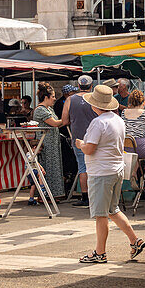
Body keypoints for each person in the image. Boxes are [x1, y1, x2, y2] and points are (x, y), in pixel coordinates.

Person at [75, 85, 145, 264]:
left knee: (101, 214)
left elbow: (90, 149)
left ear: (94, 105)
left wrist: (80, 145)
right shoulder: (117, 119)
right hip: (116, 169)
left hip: (101, 172)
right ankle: (134, 240)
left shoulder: (98, 123)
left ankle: (100, 252)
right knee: (112, 210)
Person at [28, 83, 64, 203]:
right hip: (46, 144)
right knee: (46, 167)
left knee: (53, 167)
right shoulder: (40, 110)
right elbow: (54, 123)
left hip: (52, 143)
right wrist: (66, 118)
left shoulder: (49, 109)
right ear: (46, 97)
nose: (54, 99)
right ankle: (43, 195)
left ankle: (51, 194)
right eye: (52, 96)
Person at [66, 75, 97, 207]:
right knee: (95, 167)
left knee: (82, 168)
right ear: (91, 86)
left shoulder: (70, 99)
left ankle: (85, 197)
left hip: (78, 138)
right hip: (95, 138)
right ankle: (95, 196)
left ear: (78, 86)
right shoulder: (95, 99)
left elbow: (64, 120)